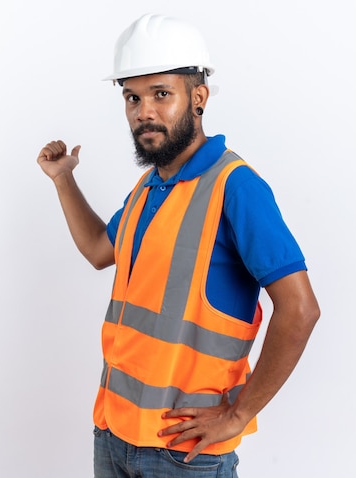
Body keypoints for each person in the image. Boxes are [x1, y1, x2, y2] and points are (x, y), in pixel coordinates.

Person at [37, 13, 320, 478]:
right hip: (112, 436)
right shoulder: (149, 188)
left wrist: (237, 414)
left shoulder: (235, 187)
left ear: (199, 98)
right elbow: (96, 250)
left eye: (161, 94)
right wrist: (64, 177)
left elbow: (301, 310)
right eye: (132, 97)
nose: (143, 110)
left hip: (183, 455)